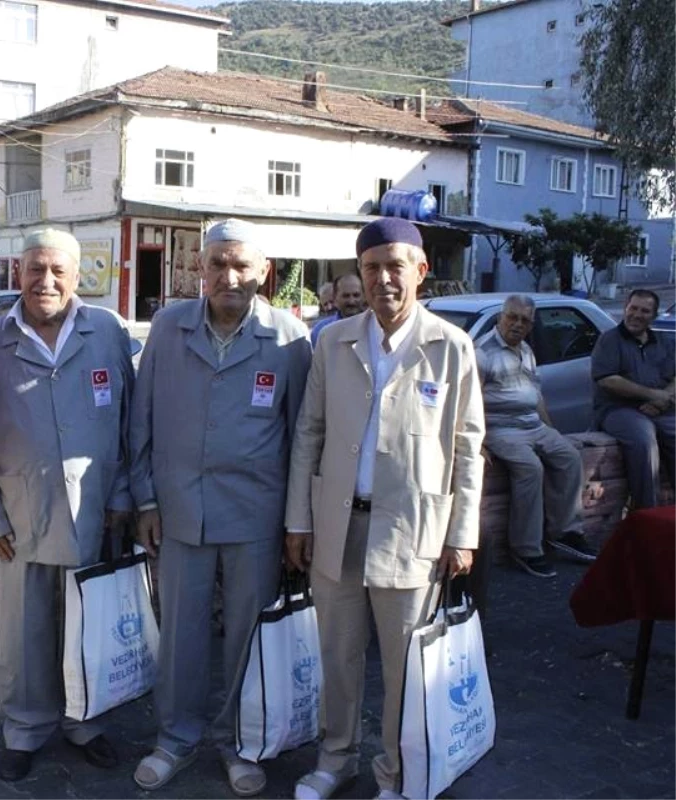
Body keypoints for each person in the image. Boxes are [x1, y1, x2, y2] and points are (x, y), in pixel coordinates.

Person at [285, 218, 484, 800]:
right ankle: (335, 759)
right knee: (338, 656)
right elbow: (310, 432)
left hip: (412, 530)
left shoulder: (452, 346)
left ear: (421, 271)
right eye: (371, 267)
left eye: (396, 265)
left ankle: (394, 775)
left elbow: (468, 446)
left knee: (404, 669)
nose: (383, 279)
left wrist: (462, 533)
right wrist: (300, 519)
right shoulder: (334, 339)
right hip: (338, 524)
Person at [130, 218, 312, 797]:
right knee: (181, 631)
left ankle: (238, 741)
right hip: (180, 508)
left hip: (255, 514)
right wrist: (146, 498)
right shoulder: (167, 327)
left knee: (245, 635)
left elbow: (302, 436)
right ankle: (175, 738)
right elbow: (143, 418)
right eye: (217, 264)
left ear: (263, 271)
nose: (229, 275)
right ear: (199, 270)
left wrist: (295, 521)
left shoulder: (288, 339)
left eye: (241, 265)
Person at [0, 229, 134, 783]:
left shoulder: (106, 330)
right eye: (36, 270)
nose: (47, 281)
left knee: (89, 628)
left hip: (95, 511)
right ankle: (24, 730)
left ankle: (86, 723)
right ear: (18, 275)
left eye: (59, 271)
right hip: (21, 515)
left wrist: (126, 495)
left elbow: (131, 422)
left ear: (77, 275)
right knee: (26, 634)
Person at [475, 295, 597, 577]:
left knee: (568, 456)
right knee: (531, 468)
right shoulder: (482, 352)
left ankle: (565, 531)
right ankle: (526, 548)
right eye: (512, 317)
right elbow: (467, 399)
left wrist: (551, 430)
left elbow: (536, 396)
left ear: (531, 325)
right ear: (500, 318)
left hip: (532, 425)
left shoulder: (526, 350)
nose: (517, 324)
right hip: (500, 428)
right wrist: (477, 441)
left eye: (525, 320)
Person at [591, 288, 676, 509]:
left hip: (661, 409)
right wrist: (652, 395)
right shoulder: (609, 340)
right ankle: (647, 513)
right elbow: (607, 380)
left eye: (645, 311)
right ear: (625, 308)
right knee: (644, 443)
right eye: (633, 308)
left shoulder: (663, 342)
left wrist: (663, 399)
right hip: (619, 410)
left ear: (654, 316)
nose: (637, 314)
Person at [311, 273, 365, 346]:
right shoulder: (320, 331)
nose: (351, 301)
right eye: (346, 296)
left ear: (364, 297)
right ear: (335, 298)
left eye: (356, 295)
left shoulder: (375, 328)